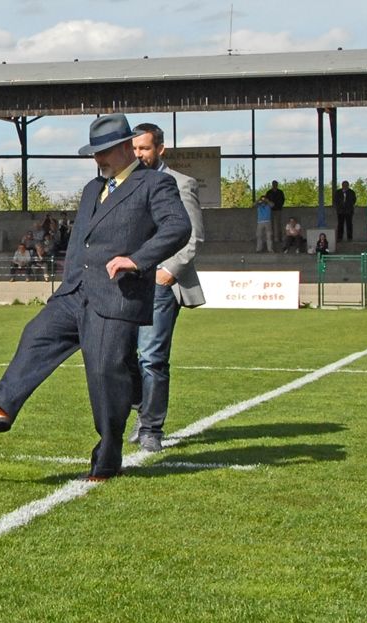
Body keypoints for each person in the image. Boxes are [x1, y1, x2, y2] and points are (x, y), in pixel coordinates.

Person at [0, 113, 191, 481]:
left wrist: (137, 260)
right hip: (75, 292)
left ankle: (108, 455)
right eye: (94, 153)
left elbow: (178, 227)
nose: (98, 159)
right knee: (35, 335)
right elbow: (81, 242)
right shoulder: (93, 188)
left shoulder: (156, 184)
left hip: (116, 297)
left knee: (105, 375)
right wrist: (67, 283)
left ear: (126, 147)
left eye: (104, 151)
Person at [128, 122, 207, 453]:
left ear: (160, 149)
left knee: (151, 357)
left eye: (144, 148)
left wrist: (169, 271)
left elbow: (193, 235)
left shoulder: (181, 184)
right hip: (129, 282)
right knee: (118, 355)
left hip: (161, 283)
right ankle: (141, 405)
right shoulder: (124, 184)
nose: (138, 155)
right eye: (133, 149)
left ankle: (151, 428)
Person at [266, 180, 285, 246]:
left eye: (275, 184)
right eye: (273, 184)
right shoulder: (269, 192)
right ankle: (272, 238)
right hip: (270, 210)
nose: (274, 185)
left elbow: (283, 200)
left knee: (278, 224)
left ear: (277, 185)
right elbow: (266, 200)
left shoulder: (280, 192)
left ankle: (278, 238)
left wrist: (279, 206)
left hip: (278, 210)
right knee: (271, 225)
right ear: (272, 184)